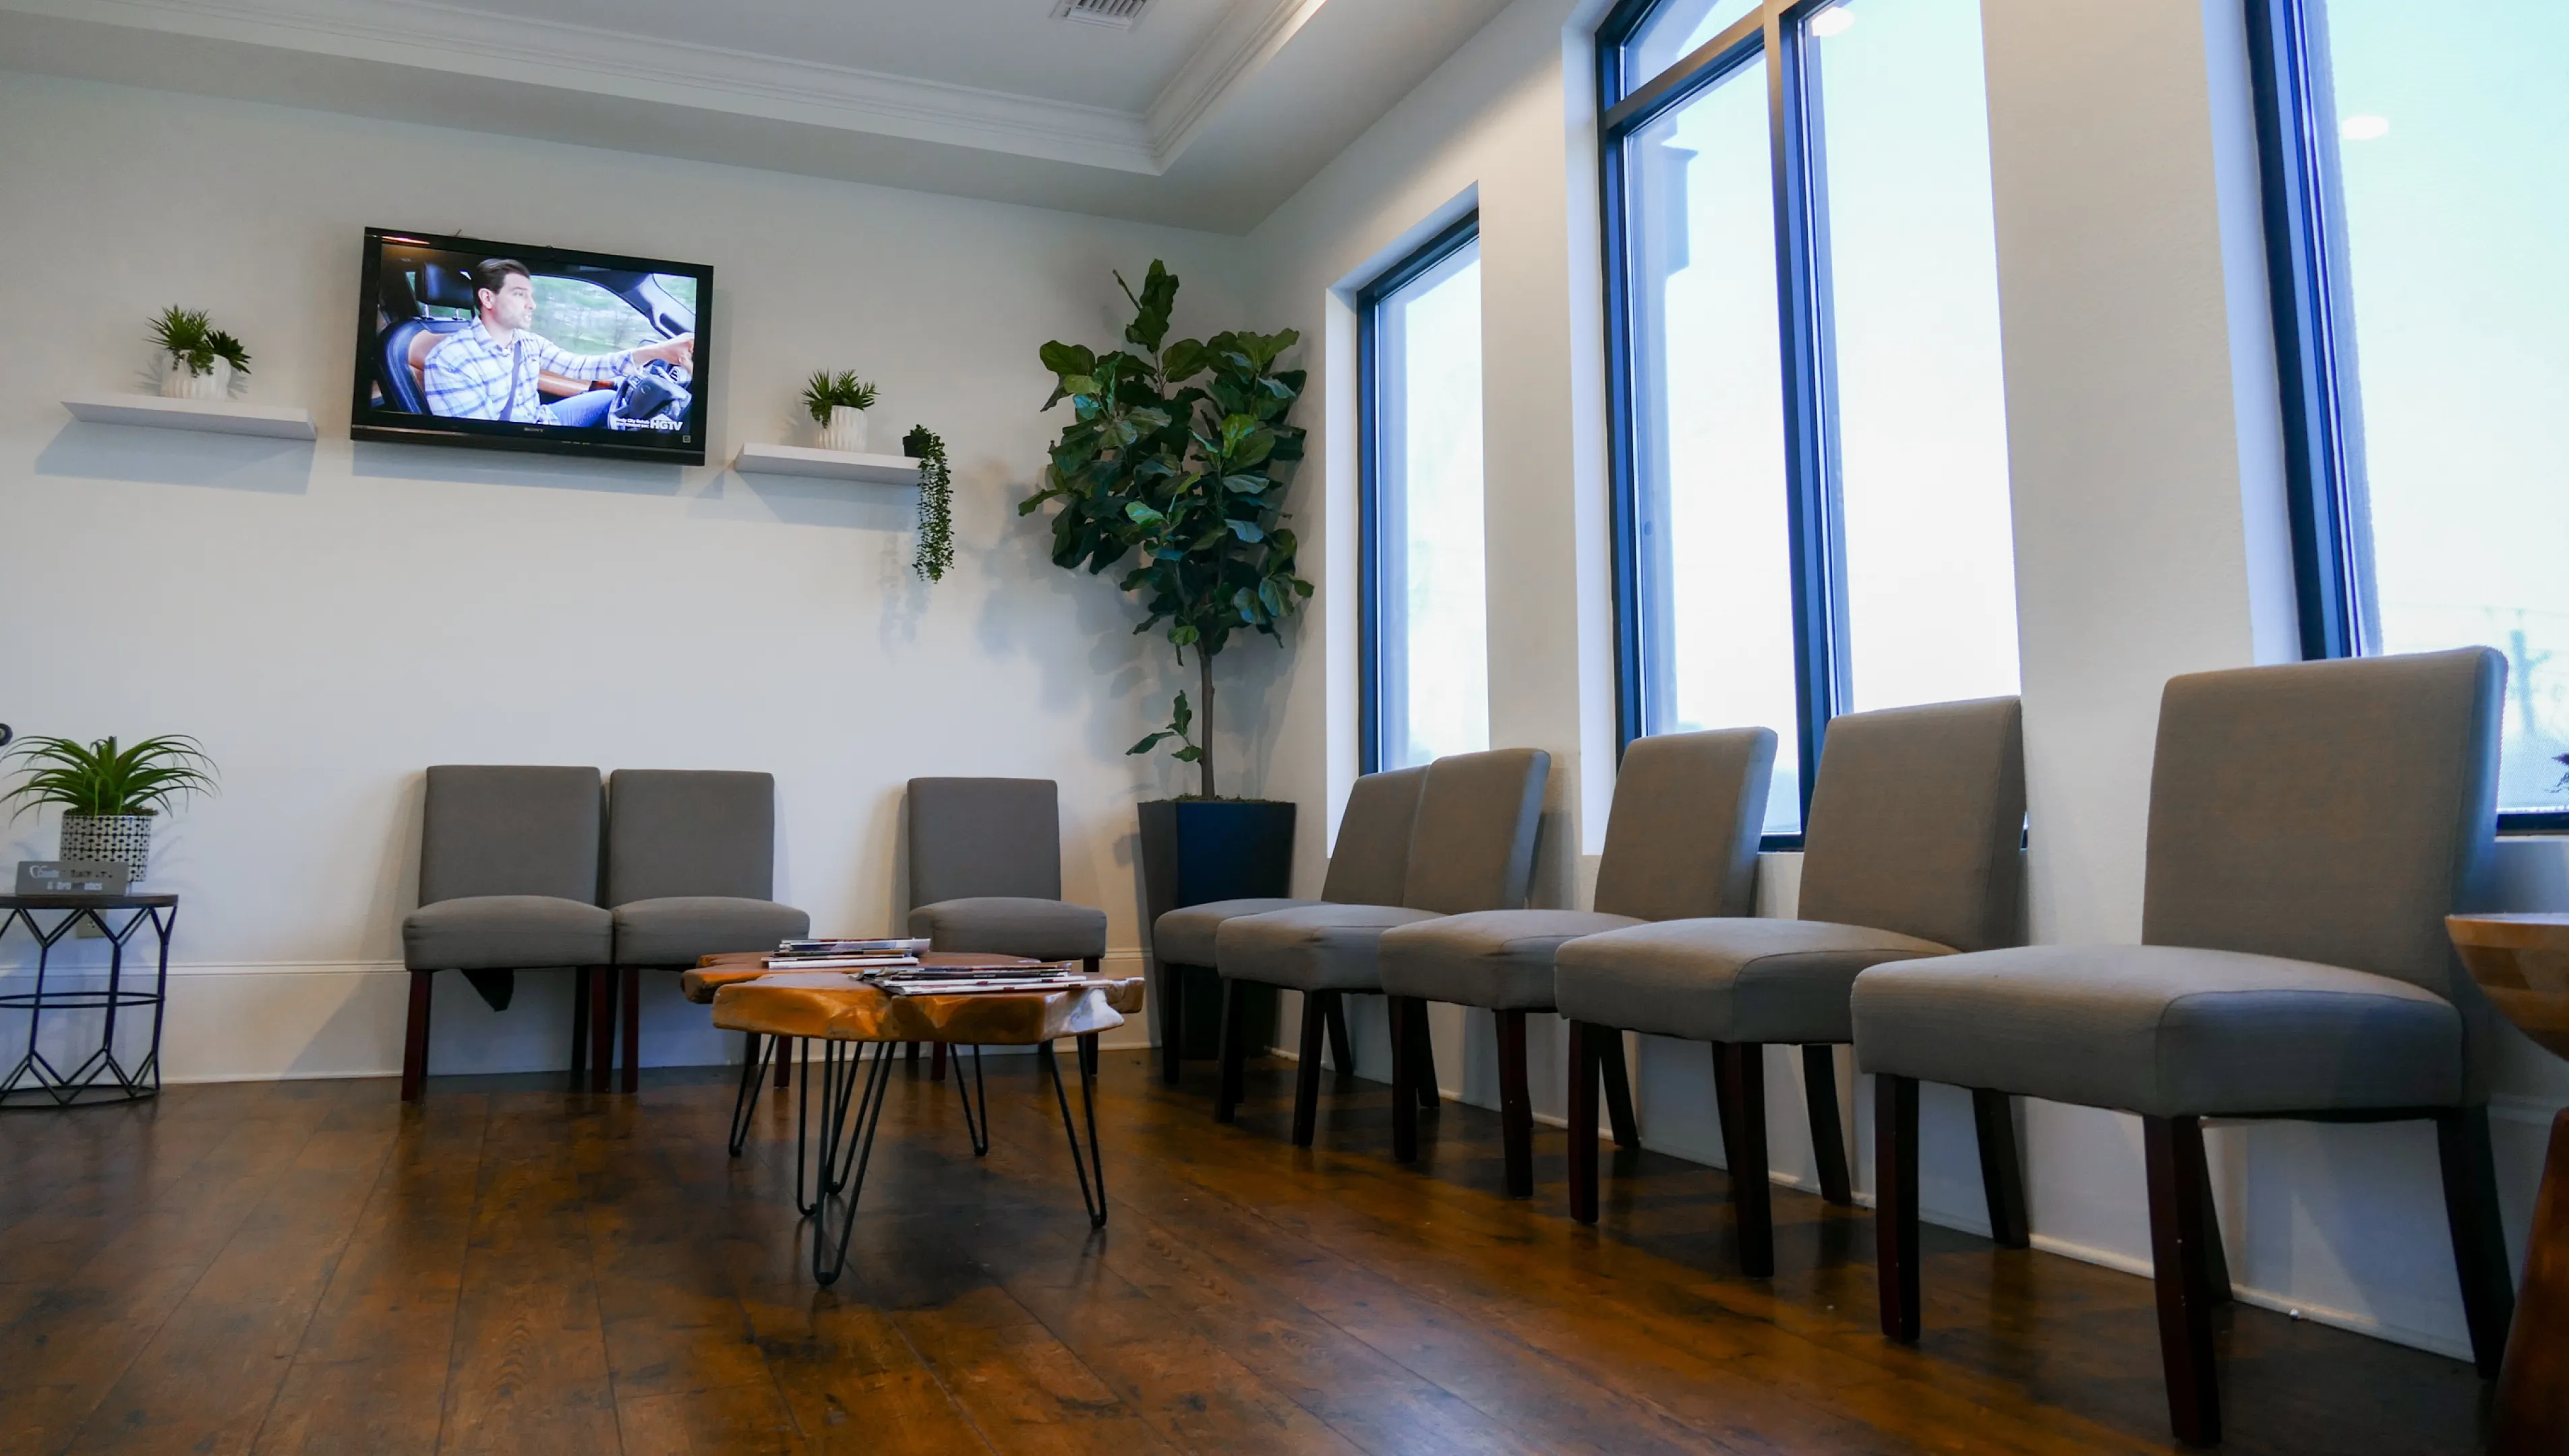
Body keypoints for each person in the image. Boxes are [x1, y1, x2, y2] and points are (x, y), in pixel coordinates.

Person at [419, 258, 693, 427]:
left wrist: (658, 351)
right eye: (519, 295)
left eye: (531, 295)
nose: (532, 305)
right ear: (488, 299)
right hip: (513, 449)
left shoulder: (527, 342)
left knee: (609, 400)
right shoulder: (448, 361)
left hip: (541, 421)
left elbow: (580, 366)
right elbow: (478, 443)